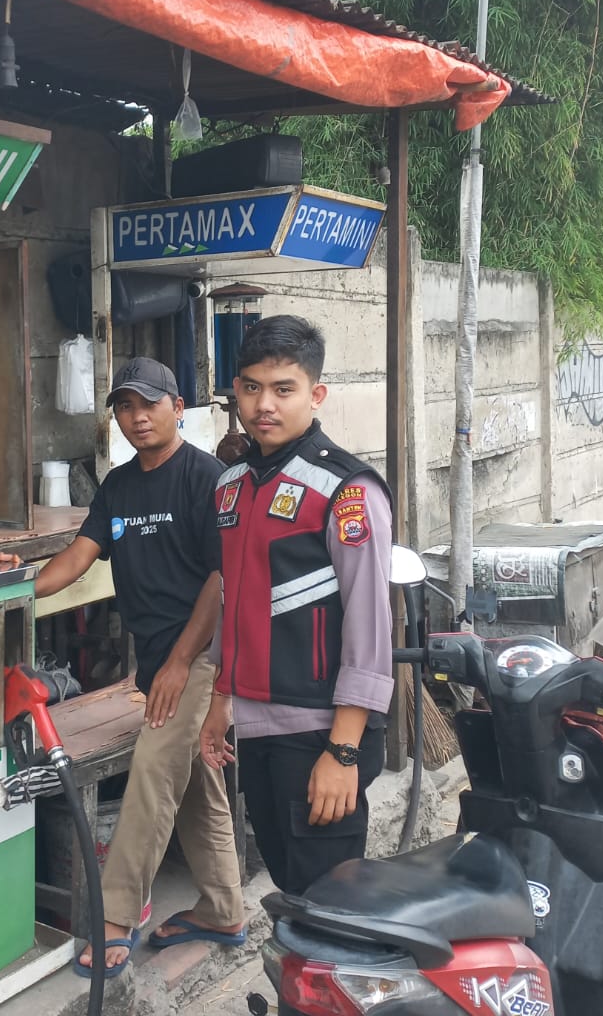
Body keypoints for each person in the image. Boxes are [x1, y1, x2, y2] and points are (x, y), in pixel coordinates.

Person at [0, 357, 244, 979]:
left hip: (199, 658)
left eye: (149, 404)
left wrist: (179, 663)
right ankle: (224, 910)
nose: (136, 417)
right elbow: (79, 556)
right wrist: (16, 585)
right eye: (125, 407)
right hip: (157, 660)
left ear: (178, 408)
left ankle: (116, 918)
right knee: (196, 785)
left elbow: (223, 579)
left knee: (153, 772)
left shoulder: (207, 479)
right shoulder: (119, 486)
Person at [199, 315, 394, 896]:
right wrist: (220, 700)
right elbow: (235, 600)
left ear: (316, 394)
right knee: (288, 884)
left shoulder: (347, 489)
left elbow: (369, 625)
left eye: (283, 389)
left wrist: (344, 750)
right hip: (255, 728)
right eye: (252, 388)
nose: (265, 405)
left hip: (320, 731)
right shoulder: (231, 486)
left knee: (329, 900)